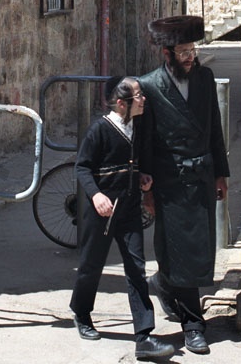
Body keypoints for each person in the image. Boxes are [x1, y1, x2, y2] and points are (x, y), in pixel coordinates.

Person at [138, 15, 230, 355]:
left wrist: (221, 174)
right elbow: (144, 144)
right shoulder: (149, 86)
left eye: (193, 49)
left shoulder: (205, 79)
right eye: (183, 51)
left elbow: (215, 131)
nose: (190, 56)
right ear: (167, 54)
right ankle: (193, 326)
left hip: (203, 176)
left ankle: (163, 282)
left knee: (200, 250)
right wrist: (146, 191)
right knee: (177, 250)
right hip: (170, 182)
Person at [69, 76, 175, 361]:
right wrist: (95, 195)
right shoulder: (99, 131)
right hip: (101, 213)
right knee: (91, 266)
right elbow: (82, 168)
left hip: (129, 209)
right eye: (138, 96)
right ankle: (81, 312)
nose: (143, 100)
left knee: (136, 269)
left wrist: (142, 177)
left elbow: (134, 162)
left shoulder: (137, 127)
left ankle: (144, 336)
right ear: (121, 103)